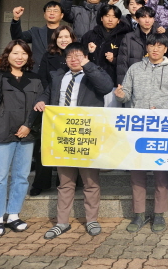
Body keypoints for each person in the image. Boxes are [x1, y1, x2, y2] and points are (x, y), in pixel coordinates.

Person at [34, 42, 114, 239]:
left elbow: (106, 87)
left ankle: (92, 220)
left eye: (78, 55)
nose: (73, 59)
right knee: (65, 182)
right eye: (70, 56)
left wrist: (89, 66)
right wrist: (41, 101)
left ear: (86, 57)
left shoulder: (93, 74)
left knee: (90, 182)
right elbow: (47, 94)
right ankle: (62, 222)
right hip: (63, 136)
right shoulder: (58, 76)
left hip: (86, 136)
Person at [115, 33, 168, 233]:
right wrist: (121, 95)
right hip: (138, 127)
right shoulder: (135, 68)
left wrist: (162, 108)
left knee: (160, 171)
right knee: (137, 171)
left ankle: (159, 214)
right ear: (146, 48)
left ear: (165, 49)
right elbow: (126, 93)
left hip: (162, 127)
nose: (155, 49)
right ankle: (139, 214)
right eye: (152, 45)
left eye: (159, 46)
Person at [0, 40, 43, 237]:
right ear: (7, 55)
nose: (19, 57)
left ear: (28, 56)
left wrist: (29, 125)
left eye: (23, 53)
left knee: (21, 176)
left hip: (26, 133)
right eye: (15, 53)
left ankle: (14, 215)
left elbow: (40, 105)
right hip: (1, 131)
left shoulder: (35, 79)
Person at [31, 25, 76, 196]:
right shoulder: (48, 56)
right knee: (46, 145)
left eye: (67, 36)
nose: (63, 40)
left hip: (72, 108)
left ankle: (65, 182)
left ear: (72, 38)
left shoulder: (78, 55)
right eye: (60, 37)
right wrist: (45, 98)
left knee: (68, 146)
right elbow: (42, 78)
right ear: (55, 40)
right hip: (51, 106)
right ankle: (41, 182)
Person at [81, 4, 132, 107]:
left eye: (114, 17)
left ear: (118, 20)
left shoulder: (125, 37)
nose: (110, 20)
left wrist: (114, 60)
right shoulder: (90, 35)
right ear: (101, 18)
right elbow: (81, 56)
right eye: (107, 16)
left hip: (114, 84)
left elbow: (129, 60)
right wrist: (90, 52)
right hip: (91, 84)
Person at [10, 1, 64, 72]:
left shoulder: (66, 33)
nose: (52, 13)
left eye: (55, 11)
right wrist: (16, 19)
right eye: (49, 10)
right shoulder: (35, 31)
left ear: (61, 15)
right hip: (38, 72)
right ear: (44, 15)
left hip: (60, 72)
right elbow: (17, 38)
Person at [116, 6, 161, 85]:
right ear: (137, 19)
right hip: (134, 81)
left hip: (156, 82)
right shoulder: (129, 37)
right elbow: (122, 63)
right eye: (143, 17)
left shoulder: (160, 37)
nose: (147, 20)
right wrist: (124, 85)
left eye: (150, 17)